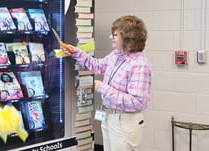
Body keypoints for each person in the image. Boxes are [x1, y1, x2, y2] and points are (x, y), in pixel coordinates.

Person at [61, 15, 152, 151]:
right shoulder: (117, 54)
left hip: (124, 121)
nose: (111, 37)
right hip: (109, 116)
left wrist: (103, 88)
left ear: (128, 38)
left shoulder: (140, 65)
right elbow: (97, 65)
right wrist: (76, 52)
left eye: (115, 35)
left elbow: (136, 102)